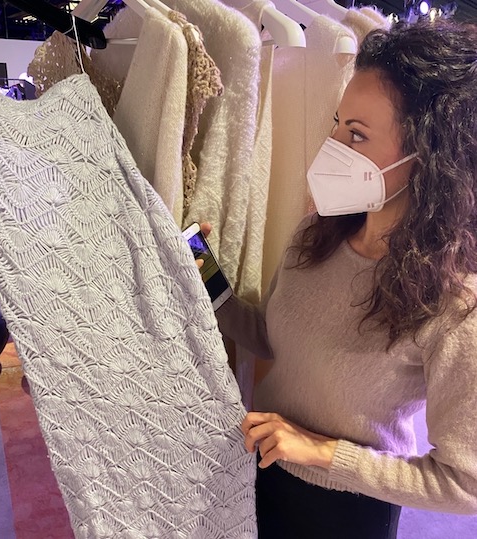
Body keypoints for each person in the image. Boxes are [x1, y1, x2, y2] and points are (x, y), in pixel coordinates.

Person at [204, 18, 477, 539]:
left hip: (347, 511)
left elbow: (465, 484)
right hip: (261, 472)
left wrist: (324, 452)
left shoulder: (454, 302)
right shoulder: (316, 235)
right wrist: (204, 274)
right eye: (337, 123)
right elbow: (272, 337)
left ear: (428, 159)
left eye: (356, 134)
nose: (331, 145)